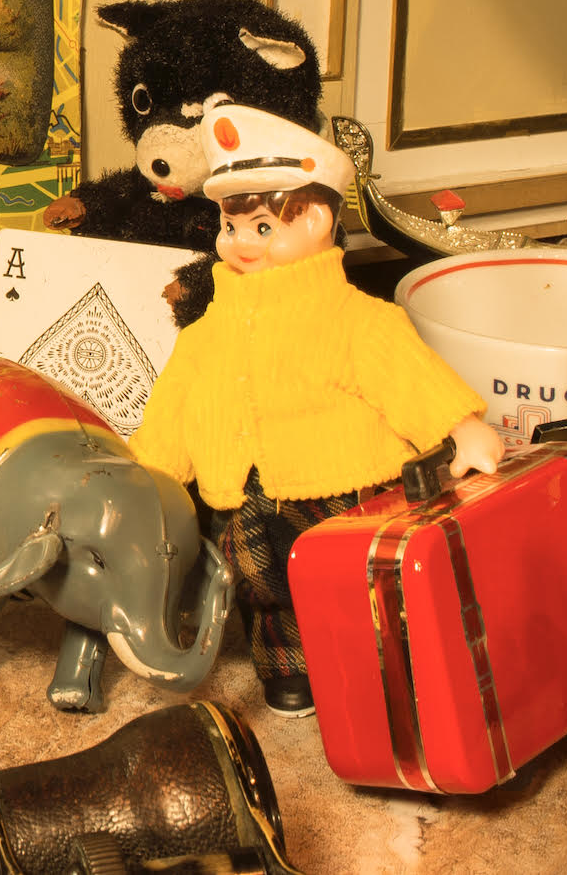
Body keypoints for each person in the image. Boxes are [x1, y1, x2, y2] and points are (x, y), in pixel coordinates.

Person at [127, 104, 501, 719]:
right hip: (241, 494)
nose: (241, 242)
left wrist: (460, 427)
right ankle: (288, 671)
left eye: (263, 227)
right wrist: (151, 473)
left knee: (354, 590)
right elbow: (175, 402)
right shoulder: (206, 329)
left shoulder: (356, 319)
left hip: (340, 492)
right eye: (231, 225)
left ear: (319, 221)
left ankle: (376, 662)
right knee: (262, 590)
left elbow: (407, 377)